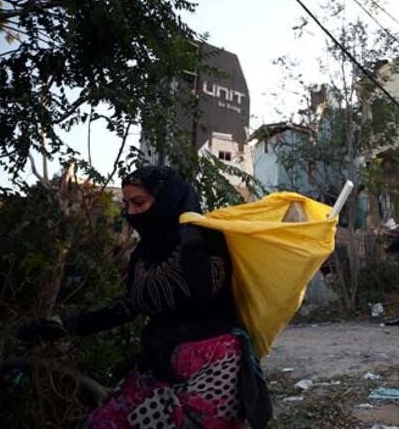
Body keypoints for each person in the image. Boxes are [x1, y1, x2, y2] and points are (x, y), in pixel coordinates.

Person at [18, 166, 271, 428]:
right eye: (127, 204)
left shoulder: (208, 239)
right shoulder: (143, 255)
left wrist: (191, 238)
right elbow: (130, 305)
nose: (131, 212)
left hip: (213, 375)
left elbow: (203, 293)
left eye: (139, 203)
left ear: (167, 199)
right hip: (163, 367)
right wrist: (65, 326)